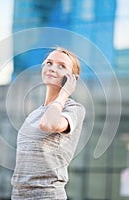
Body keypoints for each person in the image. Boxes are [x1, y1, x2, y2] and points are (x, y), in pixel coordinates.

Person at [11, 47, 86, 199]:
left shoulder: (74, 109)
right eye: (49, 63)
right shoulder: (35, 113)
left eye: (62, 66)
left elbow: (48, 125)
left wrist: (64, 93)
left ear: (72, 78)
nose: (52, 68)